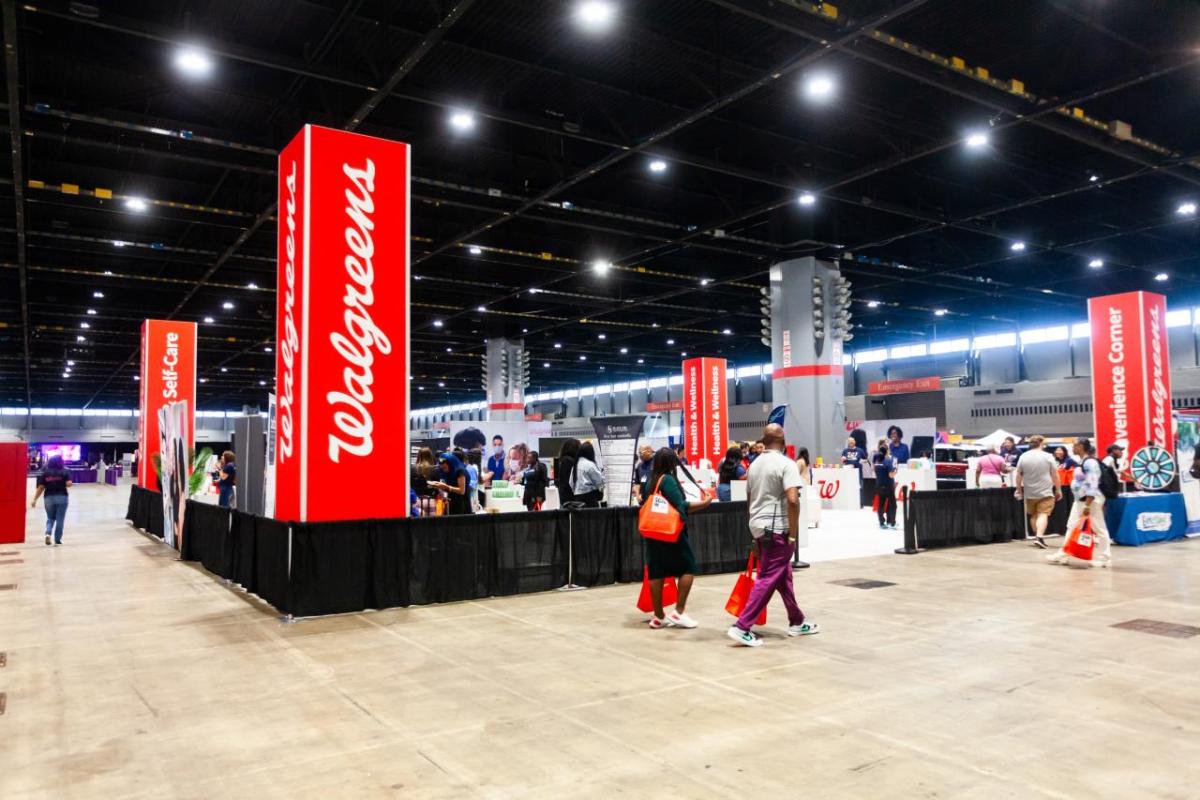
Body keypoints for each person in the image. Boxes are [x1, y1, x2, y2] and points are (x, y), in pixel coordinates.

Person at [727, 424, 818, 647]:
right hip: (778, 529)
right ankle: (742, 626)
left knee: (782, 576)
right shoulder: (787, 464)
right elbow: (793, 500)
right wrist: (793, 536)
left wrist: (752, 531)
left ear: (764, 441)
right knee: (768, 577)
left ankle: (797, 621)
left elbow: (749, 498)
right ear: (783, 440)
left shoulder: (754, 465)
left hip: (758, 526)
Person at [643, 447, 712, 629]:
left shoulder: (651, 481)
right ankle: (678, 611)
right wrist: (704, 504)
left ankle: (658, 616)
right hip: (671, 533)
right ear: (672, 462)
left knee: (656, 570)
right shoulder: (668, 480)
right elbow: (682, 506)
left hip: (653, 531)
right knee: (688, 567)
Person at [1048, 437, 1112, 568]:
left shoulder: (1090, 463)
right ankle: (1064, 554)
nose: (1072, 447)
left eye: (1075, 445)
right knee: (1071, 526)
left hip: (1090, 501)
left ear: (1082, 446)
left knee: (1099, 528)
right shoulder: (1083, 461)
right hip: (1080, 501)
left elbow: (1092, 484)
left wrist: (1088, 504)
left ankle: (1105, 558)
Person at [1014, 434, 1061, 548]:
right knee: (1043, 514)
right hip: (1045, 491)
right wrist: (1058, 489)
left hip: (1030, 492)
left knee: (1034, 515)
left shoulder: (1023, 456)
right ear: (1041, 443)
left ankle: (1037, 537)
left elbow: (1019, 475)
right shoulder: (1048, 456)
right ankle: (1039, 537)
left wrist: (1018, 489)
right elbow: (1055, 475)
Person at [31, 454, 73, 546]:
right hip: (62, 497)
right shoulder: (65, 471)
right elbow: (69, 483)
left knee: (50, 518)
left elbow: (41, 487)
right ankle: (57, 540)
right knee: (60, 519)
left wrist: (34, 499)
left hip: (48, 498)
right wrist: (63, 483)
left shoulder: (46, 472)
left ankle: (47, 533)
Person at [571, 441, 606, 507]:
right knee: (592, 517)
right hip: (589, 499)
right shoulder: (590, 465)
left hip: (577, 499)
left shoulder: (575, 465)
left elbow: (571, 483)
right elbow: (600, 482)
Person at [873, 443, 897, 529]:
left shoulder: (876, 462)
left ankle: (882, 523)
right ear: (887, 451)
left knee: (881, 504)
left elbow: (874, 472)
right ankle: (892, 522)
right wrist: (895, 471)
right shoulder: (888, 461)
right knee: (892, 505)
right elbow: (891, 475)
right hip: (888, 486)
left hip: (879, 485)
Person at [555, 438, 580, 506]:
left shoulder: (565, 460)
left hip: (566, 495)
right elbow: (567, 480)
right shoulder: (568, 461)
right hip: (569, 496)